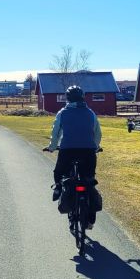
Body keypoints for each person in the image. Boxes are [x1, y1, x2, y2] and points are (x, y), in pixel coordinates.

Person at [43, 85, 102, 227]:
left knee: (59, 172)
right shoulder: (90, 113)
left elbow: (56, 132)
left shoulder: (62, 112)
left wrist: (52, 147)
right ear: (83, 98)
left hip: (67, 150)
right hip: (88, 151)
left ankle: (58, 189)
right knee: (89, 181)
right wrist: (95, 147)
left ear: (67, 98)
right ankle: (90, 219)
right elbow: (97, 133)